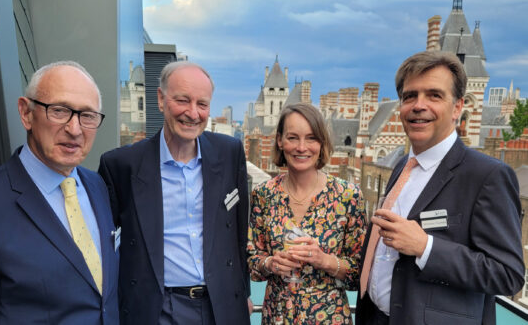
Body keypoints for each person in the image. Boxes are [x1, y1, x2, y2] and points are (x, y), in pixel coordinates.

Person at [355, 51, 525, 325]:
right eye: (410, 96)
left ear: (457, 107)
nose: (418, 105)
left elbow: (508, 275)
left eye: (434, 95)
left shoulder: (488, 175)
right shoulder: (401, 166)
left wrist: (426, 247)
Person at [98, 61, 251, 324]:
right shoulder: (121, 165)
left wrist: (244, 293)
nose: (193, 113)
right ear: (161, 99)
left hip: (221, 306)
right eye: (183, 100)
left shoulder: (229, 153)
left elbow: (237, 236)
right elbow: (101, 244)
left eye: (202, 104)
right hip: (157, 309)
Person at [0, 61, 119, 324]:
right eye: (59, 110)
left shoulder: (97, 186)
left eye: (87, 116)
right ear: (26, 113)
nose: (75, 129)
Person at [248, 103, 367, 324]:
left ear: (322, 144)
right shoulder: (263, 195)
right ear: (280, 141)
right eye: (293, 138)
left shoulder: (348, 196)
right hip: (278, 316)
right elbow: (253, 260)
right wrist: (271, 264)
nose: (301, 147)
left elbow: (361, 273)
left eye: (311, 138)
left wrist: (325, 260)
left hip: (329, 318)